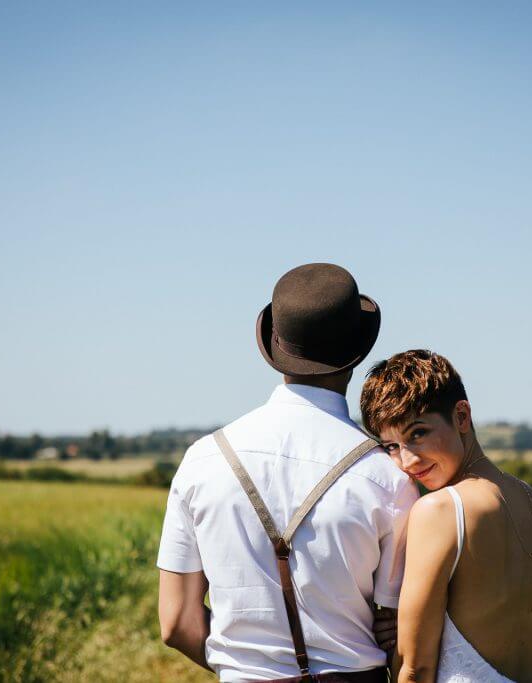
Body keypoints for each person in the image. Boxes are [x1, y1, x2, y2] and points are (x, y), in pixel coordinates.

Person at [157, 263, 419, 682]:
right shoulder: (390, 477)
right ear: (357, 351)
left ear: (277, 345)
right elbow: (399, 631)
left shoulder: (202, 460)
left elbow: (176, 624)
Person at [360, 350, 532, 683]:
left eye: (417, 434)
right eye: (391, 447)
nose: (407, 461)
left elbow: (416, 670)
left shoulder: (440, 510)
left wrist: (401, 645)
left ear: (461, 416)